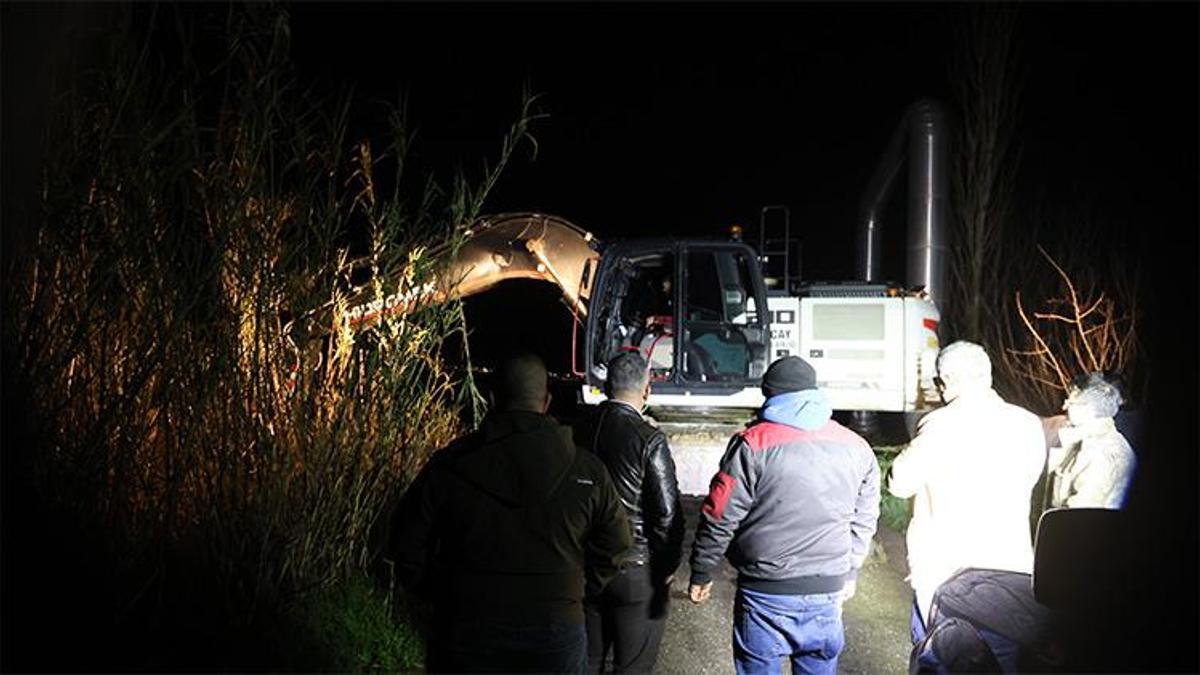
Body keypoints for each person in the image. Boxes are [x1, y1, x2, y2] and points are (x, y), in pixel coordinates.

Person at [389, 353, 632, 673]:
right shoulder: (587, 470)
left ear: (490, 398)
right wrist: (579, 587)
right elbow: (617, 542)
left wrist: (442, 593)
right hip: (555, 627)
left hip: (467, 625)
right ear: (546, 401)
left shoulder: (450, 466)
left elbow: (405, 542)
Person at [688, 355, 880, 675]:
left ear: (770, 395)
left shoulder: (752, 444)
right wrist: (850, 570)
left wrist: (702, 570)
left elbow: (720, 514)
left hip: (765, 592)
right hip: (827, 591)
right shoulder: (857, 446)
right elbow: (865, 517)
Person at [887, 340, 1045, 643]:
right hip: (1012, 565)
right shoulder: (1027, 423)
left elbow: (900, 482)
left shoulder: (940, 423)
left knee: (941, 654)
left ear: (947, 380)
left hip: (948, 573)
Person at [573, 352, 685, 674]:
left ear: (606, 386)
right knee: (633, 665)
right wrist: (666, 566)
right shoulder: (649, 439)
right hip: (634, 571)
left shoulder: (578, 430)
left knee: (589, 659)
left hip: (585, 564)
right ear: (646, 390)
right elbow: (665, 513)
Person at [1045, 372, 1137, 509]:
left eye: (1071, 402)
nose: (1064, 407)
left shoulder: (1106, 452)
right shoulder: (1081, 439)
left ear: (1088, 408)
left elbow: (1078, 515)